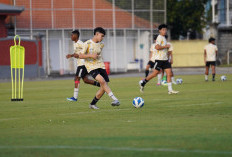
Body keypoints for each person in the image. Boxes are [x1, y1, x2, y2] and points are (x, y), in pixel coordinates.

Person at [78, 27, 120, 109]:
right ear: (96, 34)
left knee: (103, 87)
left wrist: (96, 56)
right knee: (102, 81)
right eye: (102, 36)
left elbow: (97, 55)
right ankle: (115, 99)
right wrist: (90, 55)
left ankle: (92, 104)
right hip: (91, 67)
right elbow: (80, 55)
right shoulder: (87, 43)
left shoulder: (101, 44)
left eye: (103, 36)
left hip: (101, 66)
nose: (103, 38)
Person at [139, 24, 179, 94]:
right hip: (159, 60)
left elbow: (164, 49)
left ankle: (170, 90)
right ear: (159, 30)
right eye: (163, 30)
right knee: (154, 74)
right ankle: (143, 82)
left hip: (165, 60)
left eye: (165, 30)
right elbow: (157, 47)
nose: (165, 31)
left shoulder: (164, 38)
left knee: (169, 74)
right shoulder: (159, 37)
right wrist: (166, 46)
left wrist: (167, 53)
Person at [66, 30, 100, 102]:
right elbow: (77, 54)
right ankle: (101, 85)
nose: (71, 37)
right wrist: (71, 55)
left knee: (76, 78)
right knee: (85, 80)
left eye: (72, 35)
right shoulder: (75, 44)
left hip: (82, 64)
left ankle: (75, 97)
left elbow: (86, 51)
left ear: (76, 36)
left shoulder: (80, 43)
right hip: (81, 64)